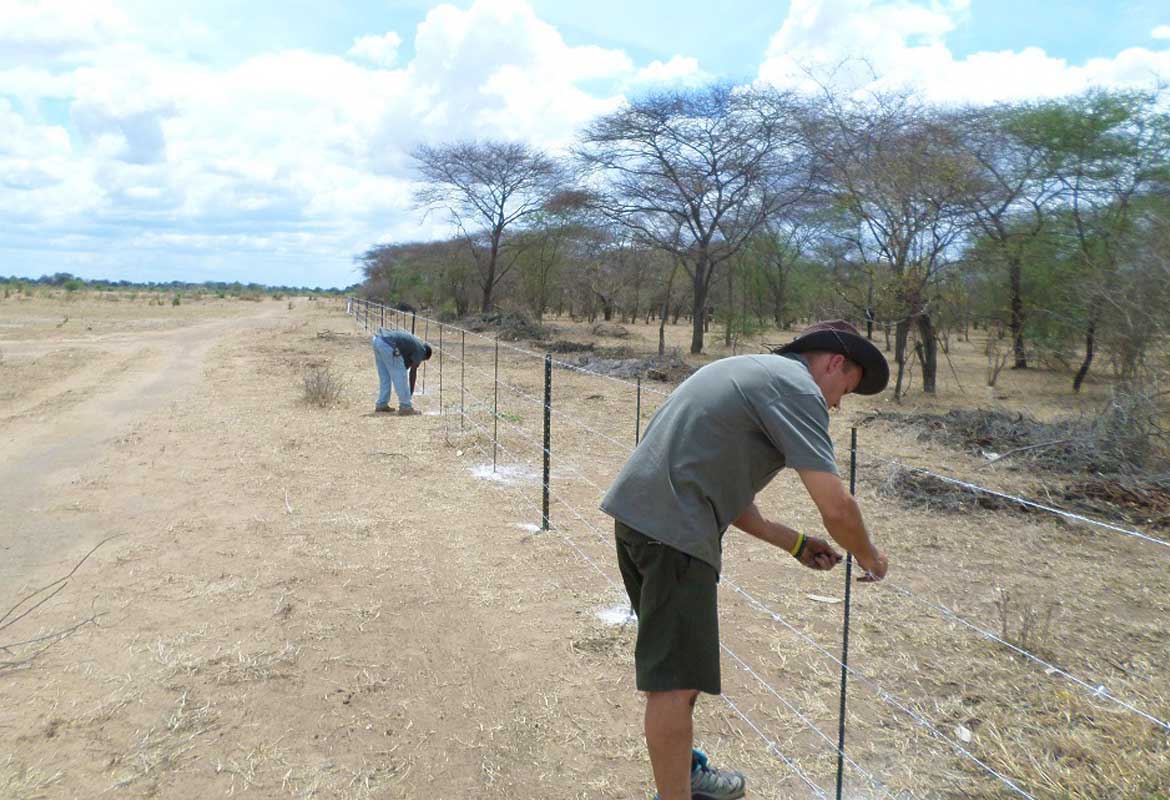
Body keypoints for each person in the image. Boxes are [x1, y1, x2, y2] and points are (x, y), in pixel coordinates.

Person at [600, 319, 890, 800]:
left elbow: (726, 493)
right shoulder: (798, 389)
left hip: (638, 522)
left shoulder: (752, 372)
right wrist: (871, 558)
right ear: (835, 362)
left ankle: (685, 775)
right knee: (673, 683)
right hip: (674, 536)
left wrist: (794, 543)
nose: (837, 403)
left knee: (680, 672)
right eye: (847, 388)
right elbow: (837, 505)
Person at [371, 327, 432, 415]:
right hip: (388, 344)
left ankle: (382, 404)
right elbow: (412, 372)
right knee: (400, 375)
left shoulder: (413, 345)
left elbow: (405, 364)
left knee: (385, 377)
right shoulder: (421, 351)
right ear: (425, 356)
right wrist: (410, 394)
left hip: (378, 340)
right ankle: (405, 407)